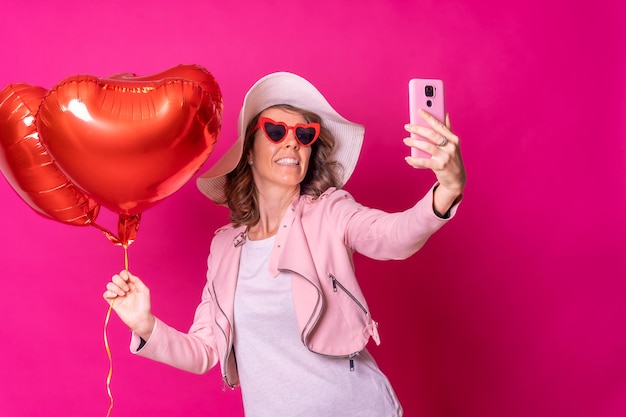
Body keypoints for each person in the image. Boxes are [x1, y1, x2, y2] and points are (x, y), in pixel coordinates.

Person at [103, 72, 466, 417]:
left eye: (304, 134)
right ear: (248, 151)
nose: (292, 140)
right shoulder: (225, 247)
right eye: (275, 131)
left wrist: (446, 191)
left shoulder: (329, 211)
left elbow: (393, 236)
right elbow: (204, 351)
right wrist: (145, 325)